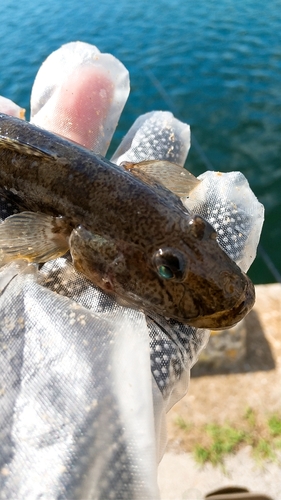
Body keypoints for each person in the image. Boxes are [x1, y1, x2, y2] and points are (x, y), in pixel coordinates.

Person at [0, 42, 265, 500]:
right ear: (68, 233)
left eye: (197, 230)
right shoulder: (70, 228)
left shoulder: (145, 194)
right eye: (168, 267)